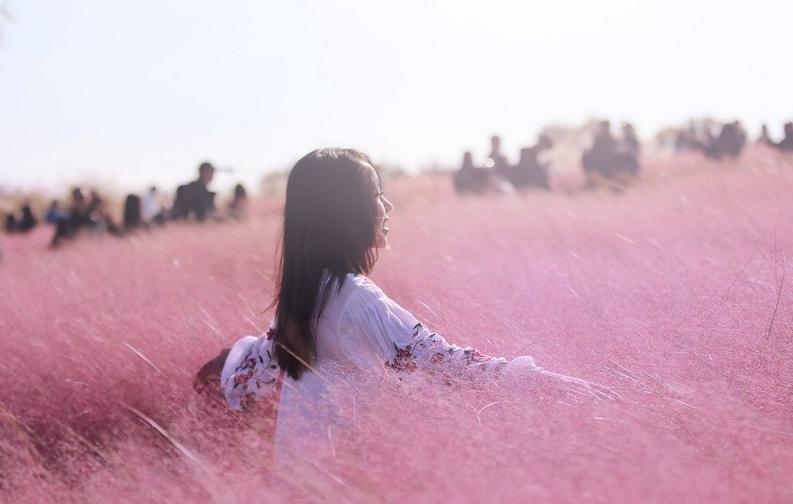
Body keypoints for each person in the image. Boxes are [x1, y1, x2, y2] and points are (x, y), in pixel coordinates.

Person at [195, 148, 616, 471]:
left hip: (301, 479)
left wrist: (217, 370)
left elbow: (254, 370)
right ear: (345, 213)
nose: (388, 206)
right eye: (376, 194)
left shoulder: (303, 293)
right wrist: (547, 383)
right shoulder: (357, 298)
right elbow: (446, 364)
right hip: (344, 486)